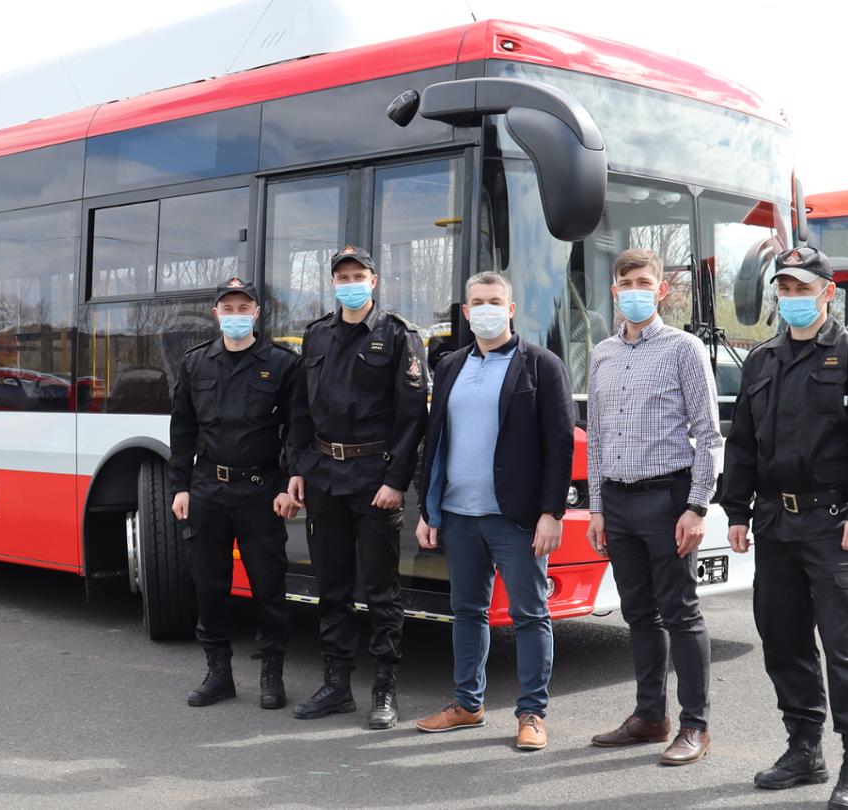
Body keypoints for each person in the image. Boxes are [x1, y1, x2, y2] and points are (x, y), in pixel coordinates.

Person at [718, 245, 848, 809]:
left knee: (842, 649)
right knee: (784, 642)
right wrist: (738, 513)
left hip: (832, 524)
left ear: (828, 292)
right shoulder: (762, 360)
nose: (793, 298)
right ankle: (804, 749)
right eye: (785, 288)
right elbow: (742, 444)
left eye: (803, 288)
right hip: (775, 524)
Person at [410, 271, 573, 752]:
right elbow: (435, 441)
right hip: (459, 515)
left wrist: (552, 513)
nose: (485, 308)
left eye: (494, 300)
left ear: (511, 308)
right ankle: (467, 703)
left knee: (529, 614)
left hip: (517, 517)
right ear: (464, 311)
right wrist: (429, 508)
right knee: (466, 612)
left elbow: (559, 445)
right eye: (477, 301)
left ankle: (532, 713)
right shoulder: (450, 366)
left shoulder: (541, 366)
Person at [583, 248, 721, 766]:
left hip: (668, 500)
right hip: (616, 502)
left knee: (680, 612)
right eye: (625, 282)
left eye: (644, 281)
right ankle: (649, 716)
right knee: (638, 613)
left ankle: (695, 725)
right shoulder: (601, 354)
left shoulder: (684, 349)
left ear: (662, 290)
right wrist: (597, 507)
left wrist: (697, 506)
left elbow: (708, 434)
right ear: (614, 291)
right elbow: (596, 437)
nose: (634, 290)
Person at [285, 245, 428, 730]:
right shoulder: (317, 335)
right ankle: (336, 685)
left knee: (382, 591)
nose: (350, 281)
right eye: (342, 275)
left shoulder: (398, 335)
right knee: (332, 588)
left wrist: (395, 482)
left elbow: (413, 419)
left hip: (373, 481)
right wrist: (299, 467)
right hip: (324, 476)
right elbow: (301, 410)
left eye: (358, 274)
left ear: (374, 280)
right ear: (333, 283)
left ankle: (384, 690)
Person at [168, 277, 307, 711]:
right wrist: (180, 487)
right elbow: (183, 430)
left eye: (242, 307)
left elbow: (297, 429)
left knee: (268, 588)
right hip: (208, 489)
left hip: (260, 491)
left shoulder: (283, 364)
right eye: (227, 309)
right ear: (216, 314)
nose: (235, 315)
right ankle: (218, 672)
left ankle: (271, 674)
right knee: (210, 587)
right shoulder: (195, 364)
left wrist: (288, 484)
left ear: (256, 313)